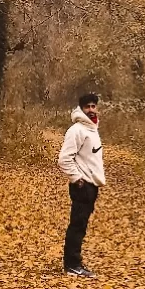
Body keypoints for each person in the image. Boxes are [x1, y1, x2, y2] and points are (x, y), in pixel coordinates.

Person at [57, 92, 104, 278]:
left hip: (92, 185)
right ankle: (72, 265)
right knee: (77, 225)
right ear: (81, 109)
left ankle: (74, 262)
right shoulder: (76, 130)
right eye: (88, 107)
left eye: (93, 106)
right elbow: (64, 159)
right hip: (82, 186)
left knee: (81, 225)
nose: (91, 110)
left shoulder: (92, 129)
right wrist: (77, 179)